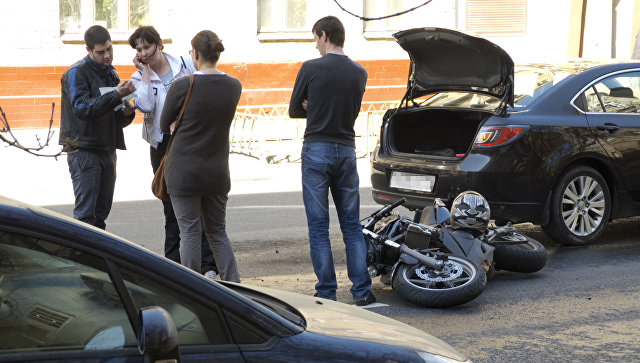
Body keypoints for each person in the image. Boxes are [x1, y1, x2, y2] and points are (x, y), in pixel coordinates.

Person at [288, 16, 374, 306]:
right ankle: (361, 291)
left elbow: (293, 110)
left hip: (316, 150)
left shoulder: (311, 68)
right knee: (351, 225)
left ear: (324, 35)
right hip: (347, 150)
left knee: (318, 226)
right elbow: (351, 111)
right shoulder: (359, 72)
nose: (315, 45)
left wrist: (313, 107)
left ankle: (326, 292)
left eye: (316, 38)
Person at [128, 26, 218, 279]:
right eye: (139, 49)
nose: (144, 53)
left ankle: (208, 266)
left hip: (191, 140)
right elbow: (145, 106)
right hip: (162, 145)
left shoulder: (185, 64)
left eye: (147, 46)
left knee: (199, 203)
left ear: (159, 44)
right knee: (170, 206)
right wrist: (145, 75)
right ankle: (175, 266)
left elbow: (206, 86)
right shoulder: (138, 77)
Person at [159, 30, 241, 282]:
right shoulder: (234, 86)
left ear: (195, 54)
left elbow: (163, 125)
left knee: (190, 233)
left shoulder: (183, 85)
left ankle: (193, 289)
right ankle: (233, 285)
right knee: (218, 232)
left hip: (184, 171)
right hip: (217, 170)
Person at [59, 25, 136, 230]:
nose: (107, 55)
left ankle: (95, 260)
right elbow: (82, 108)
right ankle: (82, 261)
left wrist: (126, 113)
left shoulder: (109, 72)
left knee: (101, 214)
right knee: (85, 217)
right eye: (101, 52)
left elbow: (115, 116)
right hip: (83, 149)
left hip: (107, 148)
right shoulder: (76, 73)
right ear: (88, 50)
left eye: (110, 49)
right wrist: (115, 96)